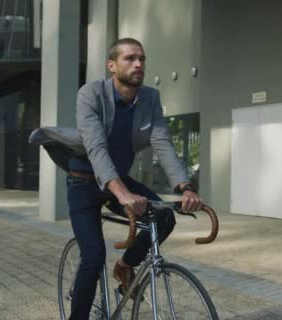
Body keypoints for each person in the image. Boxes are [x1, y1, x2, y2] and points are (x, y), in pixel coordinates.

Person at [66, 38, 204, 319]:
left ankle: (126, 265)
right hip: (84, 183)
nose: (138, 63)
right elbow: (96, 148)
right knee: (92, 258)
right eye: (130, 58)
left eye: (142, 58)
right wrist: (122, 193)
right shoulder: (90, 94)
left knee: (165, 216)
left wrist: (185, 188)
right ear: (112, 65)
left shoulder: (150, 98)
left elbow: (162, 142)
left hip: (120, 181)